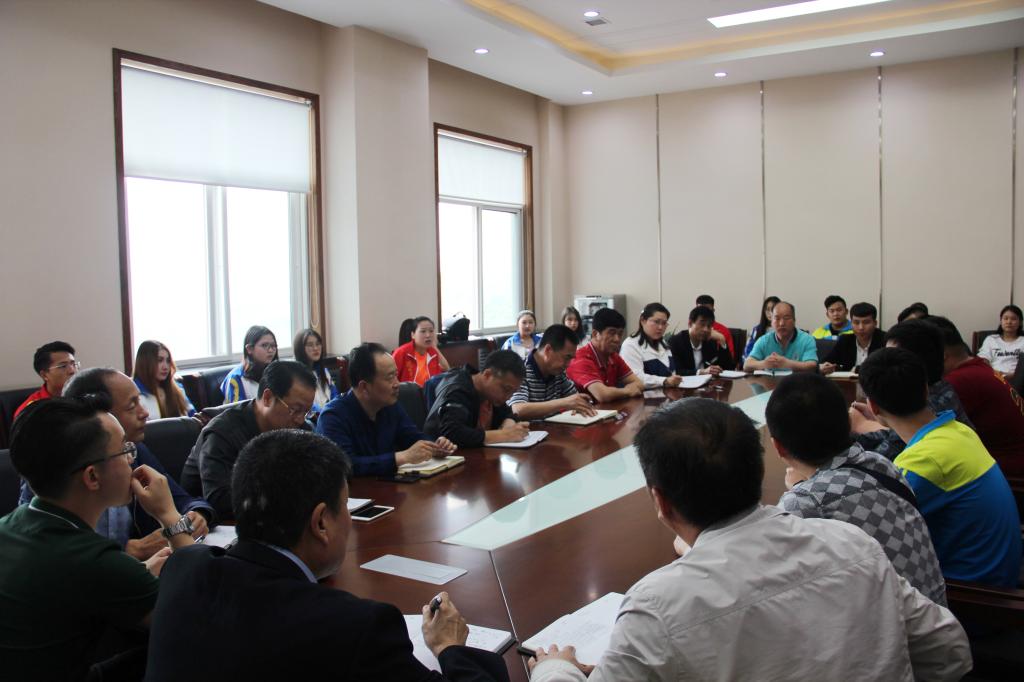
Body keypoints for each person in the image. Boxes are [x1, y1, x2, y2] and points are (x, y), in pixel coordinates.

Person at [528, 398, 971, 682]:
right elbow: (950, 651)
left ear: (660, 501)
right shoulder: (853, 544)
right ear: (760, 472)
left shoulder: (658, 607)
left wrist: (554, 669)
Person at [146, 430, 511, 681]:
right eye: (345, 506)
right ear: (321, 522)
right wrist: (449, 647)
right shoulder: (355, 628)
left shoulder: (182, 569)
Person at [0, 398, 197, 680]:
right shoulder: (93, 560)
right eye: (124, 449)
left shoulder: (12, 524)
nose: (132, 459)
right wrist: (168, 514)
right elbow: (198, 615)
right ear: (92, 477)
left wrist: (137, 572)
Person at [767, 373, 946, 605]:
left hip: (891, 624)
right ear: (849, 423)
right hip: (937, 611)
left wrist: (799, 489)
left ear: (778, 447)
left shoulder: (802, 505)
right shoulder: (880, 463)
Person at [858, 348, 1021, 587]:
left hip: (970, 590)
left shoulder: (921, 462)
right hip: (1000, 571)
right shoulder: (959, 430)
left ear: (873, 406)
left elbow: (874, 531)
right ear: (926, 389)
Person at [59, 368, 213, 560]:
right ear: (100, 415)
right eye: (132, 406)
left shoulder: (134, 449)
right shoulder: (58, 474)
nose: (145, 413)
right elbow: (64, 554)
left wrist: (197, 513)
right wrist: (127, 549)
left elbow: (178, 498)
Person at [182, 360, 316, 520]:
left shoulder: (300, 428)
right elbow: (220, 501)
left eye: (306, 412)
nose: (300, 419)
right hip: (211, 525)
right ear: (268, 398)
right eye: (295, 410)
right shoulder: (223, 433)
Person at [316, 343, 457, 476]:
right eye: (390, 377)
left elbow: (412, 437)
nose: (397, 384)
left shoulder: (390, 405)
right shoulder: (333, 416)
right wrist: (400, 458)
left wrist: (435, 446)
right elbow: (346, 465)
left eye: (396, 375)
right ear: (364, 387)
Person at [851, 320, 973, 460]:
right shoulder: (936, 389)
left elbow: (878, 460)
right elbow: (890, 436)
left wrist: (860, 423)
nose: (883, 362)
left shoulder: (931, 406)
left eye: (892, 357)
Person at [931, 315, 1024, 477]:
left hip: (1006, 472)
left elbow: (923, 433)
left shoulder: (960, 381)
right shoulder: (978, 367)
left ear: (942, 354)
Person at [424, 350, 529, 447]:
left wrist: (509, 421)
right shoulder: (458, 390)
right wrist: (503, 435)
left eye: (513, 392)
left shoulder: (491, 394)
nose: (508, 397)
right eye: (506, 389)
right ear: (487, 375)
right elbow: (452, 433)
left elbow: (507, 412)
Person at [508, 325, 597, 419]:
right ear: (548, 350)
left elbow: (574, 399)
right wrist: (564, 403)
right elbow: (518, 409)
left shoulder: (558, 372)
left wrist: (580, 404)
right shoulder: (520, 371)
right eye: (567, 358)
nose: (568, 364)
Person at [566, 308, 644, 402]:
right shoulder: (580, 358)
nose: (617, 339)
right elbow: (602, 395)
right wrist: (628, 391)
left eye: (620, 334)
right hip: (580, 410)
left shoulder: (613, 356)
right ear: (595, 334)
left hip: (605, 409)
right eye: (612, 333)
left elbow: (639, 384)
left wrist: (616, 392)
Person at [619, 303, 683, 388]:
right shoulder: (630, 345)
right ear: (643, 320)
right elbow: (634, 377)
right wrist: (664, 381)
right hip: (642, 394)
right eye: (656, 322)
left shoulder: (663, 343)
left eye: (664, 323)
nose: (660, 327)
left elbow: (672, 372)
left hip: (666, 393)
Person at [742, 301, 817, 372]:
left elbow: (812, 366)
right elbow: (747, 365)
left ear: (794, 320)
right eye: (777, 318)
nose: (781, 323)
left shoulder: (807, 339)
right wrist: (764, 363)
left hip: (797, 380)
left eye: (786, 318)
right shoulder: (764, 340)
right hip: (769, 381)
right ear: (772, 322)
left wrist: (787, 363)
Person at [13, 340, 79, 419]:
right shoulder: (30, 411)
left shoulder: (83, 396)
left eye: (73, 364)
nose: (72, 371)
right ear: (44, 375)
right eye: (63, 366)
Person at [131, 340, 196, 419]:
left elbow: (193, 417)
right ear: (145, 363)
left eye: (168, 361)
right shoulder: (136, 395)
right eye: (159, 360)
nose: (165, 367)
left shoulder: (177, 389)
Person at [668, 306, 736, 376]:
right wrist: (702, 372)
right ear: (690, 323)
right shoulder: (676, 342)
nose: (706, 329)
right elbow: (676, 371)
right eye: (702, 324)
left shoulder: (710, 341)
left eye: (709, 326)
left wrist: (722, 340)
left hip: (709, 382)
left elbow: (727, 369)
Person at [820, 301, 885, 373]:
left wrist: (858, 369)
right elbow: (826, 362)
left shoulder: (885, 340)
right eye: (856, 322)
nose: (861, 327)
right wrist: (825, 367)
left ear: (875, 323)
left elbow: (887, 368)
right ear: (851, 323)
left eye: (866, 322)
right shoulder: (845, 340)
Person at [221, 325, 279, 404]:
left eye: (273, 346)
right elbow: (237, 410)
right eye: (264, 345)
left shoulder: (276, 373)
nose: (271, 350)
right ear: (249, 349)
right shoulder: (236, 378)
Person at [393, 315, 451, 386]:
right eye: (423, 331)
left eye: (431, 331)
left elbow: (446, 370)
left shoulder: (433, 353)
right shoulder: (401, 352)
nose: (428, 335)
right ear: (413, 335)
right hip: (408, 392)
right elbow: (391, 378)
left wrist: (434, 347)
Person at [292, 327, 339, 414]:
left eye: (318, 344)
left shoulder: (324, 371)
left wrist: (334, 409)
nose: (315, 348)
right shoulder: (296, 376)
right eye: (310, 345)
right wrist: (325, 413)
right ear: (300, 349)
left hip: (329, 414)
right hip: (313, 417)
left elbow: (335, 394)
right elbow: (306, 405)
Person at [977, 304, 1024, 377]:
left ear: (1020, 322)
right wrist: (996, 374)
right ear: (1001, 321)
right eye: (1005, 318)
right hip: (993, 377)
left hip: (1019, 379)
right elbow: (983, 360)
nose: (1009, 322)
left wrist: (1013, 376)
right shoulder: (991, 339)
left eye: (1013, 319)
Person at [694, 294, 735, 359]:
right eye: (700, 310)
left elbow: (730, 359)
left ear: (713, 311)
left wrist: (721, 339)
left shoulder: (723, 331)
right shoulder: (692, 330)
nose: (704, 314)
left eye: (708, 311)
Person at [741, 295, 780, 362]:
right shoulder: (756, 330)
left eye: (773, 309)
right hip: (758, 365)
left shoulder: (783, 329)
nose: (770, 313)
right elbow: (747, 352)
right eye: (767, 309)